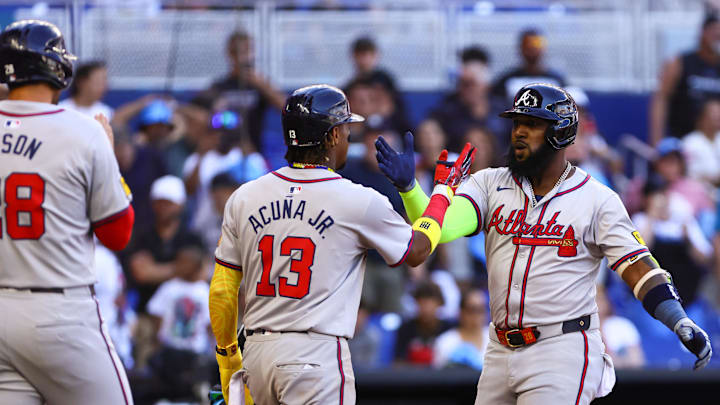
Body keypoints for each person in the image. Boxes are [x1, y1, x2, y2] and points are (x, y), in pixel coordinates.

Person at [376, 83, 712, 404]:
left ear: (561, 132)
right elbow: (441, 229)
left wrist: (676, 317)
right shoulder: (489, 183)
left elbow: (638, 266)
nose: (519, 131)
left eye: (533, 124)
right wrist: (410, 190)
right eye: (517, 122)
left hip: (560, 347)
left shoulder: (597, 199)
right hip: (499, 348)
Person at [208, 84, 475, 404]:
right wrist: (443, 191)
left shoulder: (245, 196)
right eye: (347, 129)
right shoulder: (357, 200)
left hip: (256, 355)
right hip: (314, 354)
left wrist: (228, 361)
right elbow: (418, 250)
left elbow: (223, 290)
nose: (350, 138)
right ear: (333, 135)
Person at [0, 20, 134, 404]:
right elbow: (118, 234)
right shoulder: (82, 131)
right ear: (56, 68)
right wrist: (111, 162)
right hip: (59, 314)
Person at [208, 29, 285, 153]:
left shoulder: (260, 85)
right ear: (230, 54)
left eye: (247, 51)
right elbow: (209, 120)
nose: (244, 57)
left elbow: (285, 108)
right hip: (225, 153)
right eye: (238, 52)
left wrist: (262, 86)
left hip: (254, 153)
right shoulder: (219, 86)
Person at [650, 13, 720, 145]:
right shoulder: (680, 62)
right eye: (714, 32)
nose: (717, 36)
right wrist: (656, 142)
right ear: (703, 33)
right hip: (684, 140)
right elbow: (660, 99)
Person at [431, 45, 503, 153]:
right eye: (463, 84)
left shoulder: (503, 112)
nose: (467, 89)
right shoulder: (447, 113)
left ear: (486, 85)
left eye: (472, 84)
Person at [491, 29, 566, 104]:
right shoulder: (507, 79)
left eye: (536, 45)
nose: (532, 50)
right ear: (520, 48)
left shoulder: (556, 80)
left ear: (544, 48)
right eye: (527, 45)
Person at [394, 280, 453, 365]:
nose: (426, 309)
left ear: (440, 304)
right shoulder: (405, 328)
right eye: (422, 303)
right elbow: (398, 361)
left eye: (430, 304)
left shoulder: (449, 329)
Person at [433, 289, 489, 370]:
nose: (477, 316)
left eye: (481, 310)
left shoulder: (495, 339)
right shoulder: (444, 342)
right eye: (472, 310)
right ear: (461, 312)